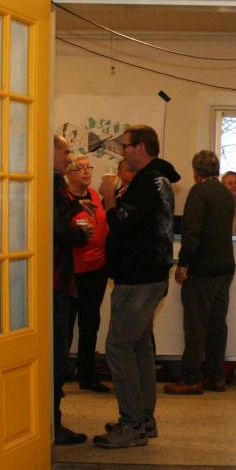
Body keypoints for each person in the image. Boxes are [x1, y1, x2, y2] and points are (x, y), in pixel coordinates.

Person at [93, 124, 180, 448]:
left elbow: (122, 225)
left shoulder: (146, 182)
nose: (123, 151)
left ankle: (131, 424)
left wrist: (108, 198)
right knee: (140, 347)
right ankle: (144, 418)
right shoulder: (158, 180)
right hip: (148, 277)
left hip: (137, 280)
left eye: (126, 146)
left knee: (118, 347)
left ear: (140, 147)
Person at [166, 150, 235, 395]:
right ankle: (216, 377)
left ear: (196, 171)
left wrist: (183, 264)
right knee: (217, 325)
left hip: (203, 269)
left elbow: (192, 233)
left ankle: (191, 378)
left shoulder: (199, 192)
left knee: (196, 325)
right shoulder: (226, 194)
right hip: (225, 268)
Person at [52, 134, 93, 445]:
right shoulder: (52, 183)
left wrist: (76, 204)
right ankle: (52, 425)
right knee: (56, 353)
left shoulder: (51, 182)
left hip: (56, 279)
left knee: (58, 351)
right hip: (56, 280)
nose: (68, 159)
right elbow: (57, 230)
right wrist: (81, 235)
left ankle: (49, 422)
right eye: (65, 152)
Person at [66, 156, 110, 393]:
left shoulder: (93, 195)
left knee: (90, 322)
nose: (86, 172)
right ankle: (59, 375)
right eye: (79, 168)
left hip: (97, 268)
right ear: (69, 174)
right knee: (66, 324)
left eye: (88, 167)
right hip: (72, 271)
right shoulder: (64, 198)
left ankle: (87, 374)